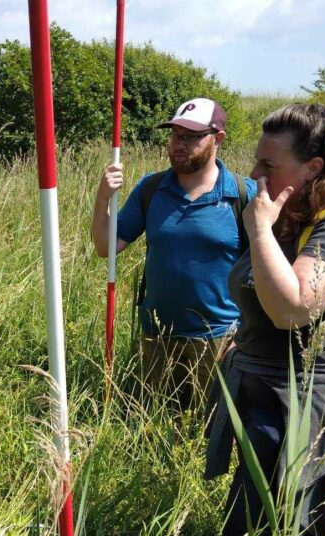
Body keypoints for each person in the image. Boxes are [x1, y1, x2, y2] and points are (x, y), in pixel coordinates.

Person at [206, 103, 325, 536]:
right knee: (252, 534)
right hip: (264, 396)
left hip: (311, 405)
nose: (254, 173)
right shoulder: (287, 215)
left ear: (314, 168)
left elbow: (294, 309)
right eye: (256, 161)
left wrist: (259, 228)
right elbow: (256, 292)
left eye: (269, 164)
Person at [92, 97, 257, 410]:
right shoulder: (151, 189)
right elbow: (106, 247)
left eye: (191, 137)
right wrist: (103, 199)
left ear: (217, 139)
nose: (179, 145)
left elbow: (261, 271)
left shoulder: (243, 194)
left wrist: (245, 333)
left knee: (206, 431)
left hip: (219, 338)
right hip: (157, 335)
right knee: (151, 421)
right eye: (175, 135)